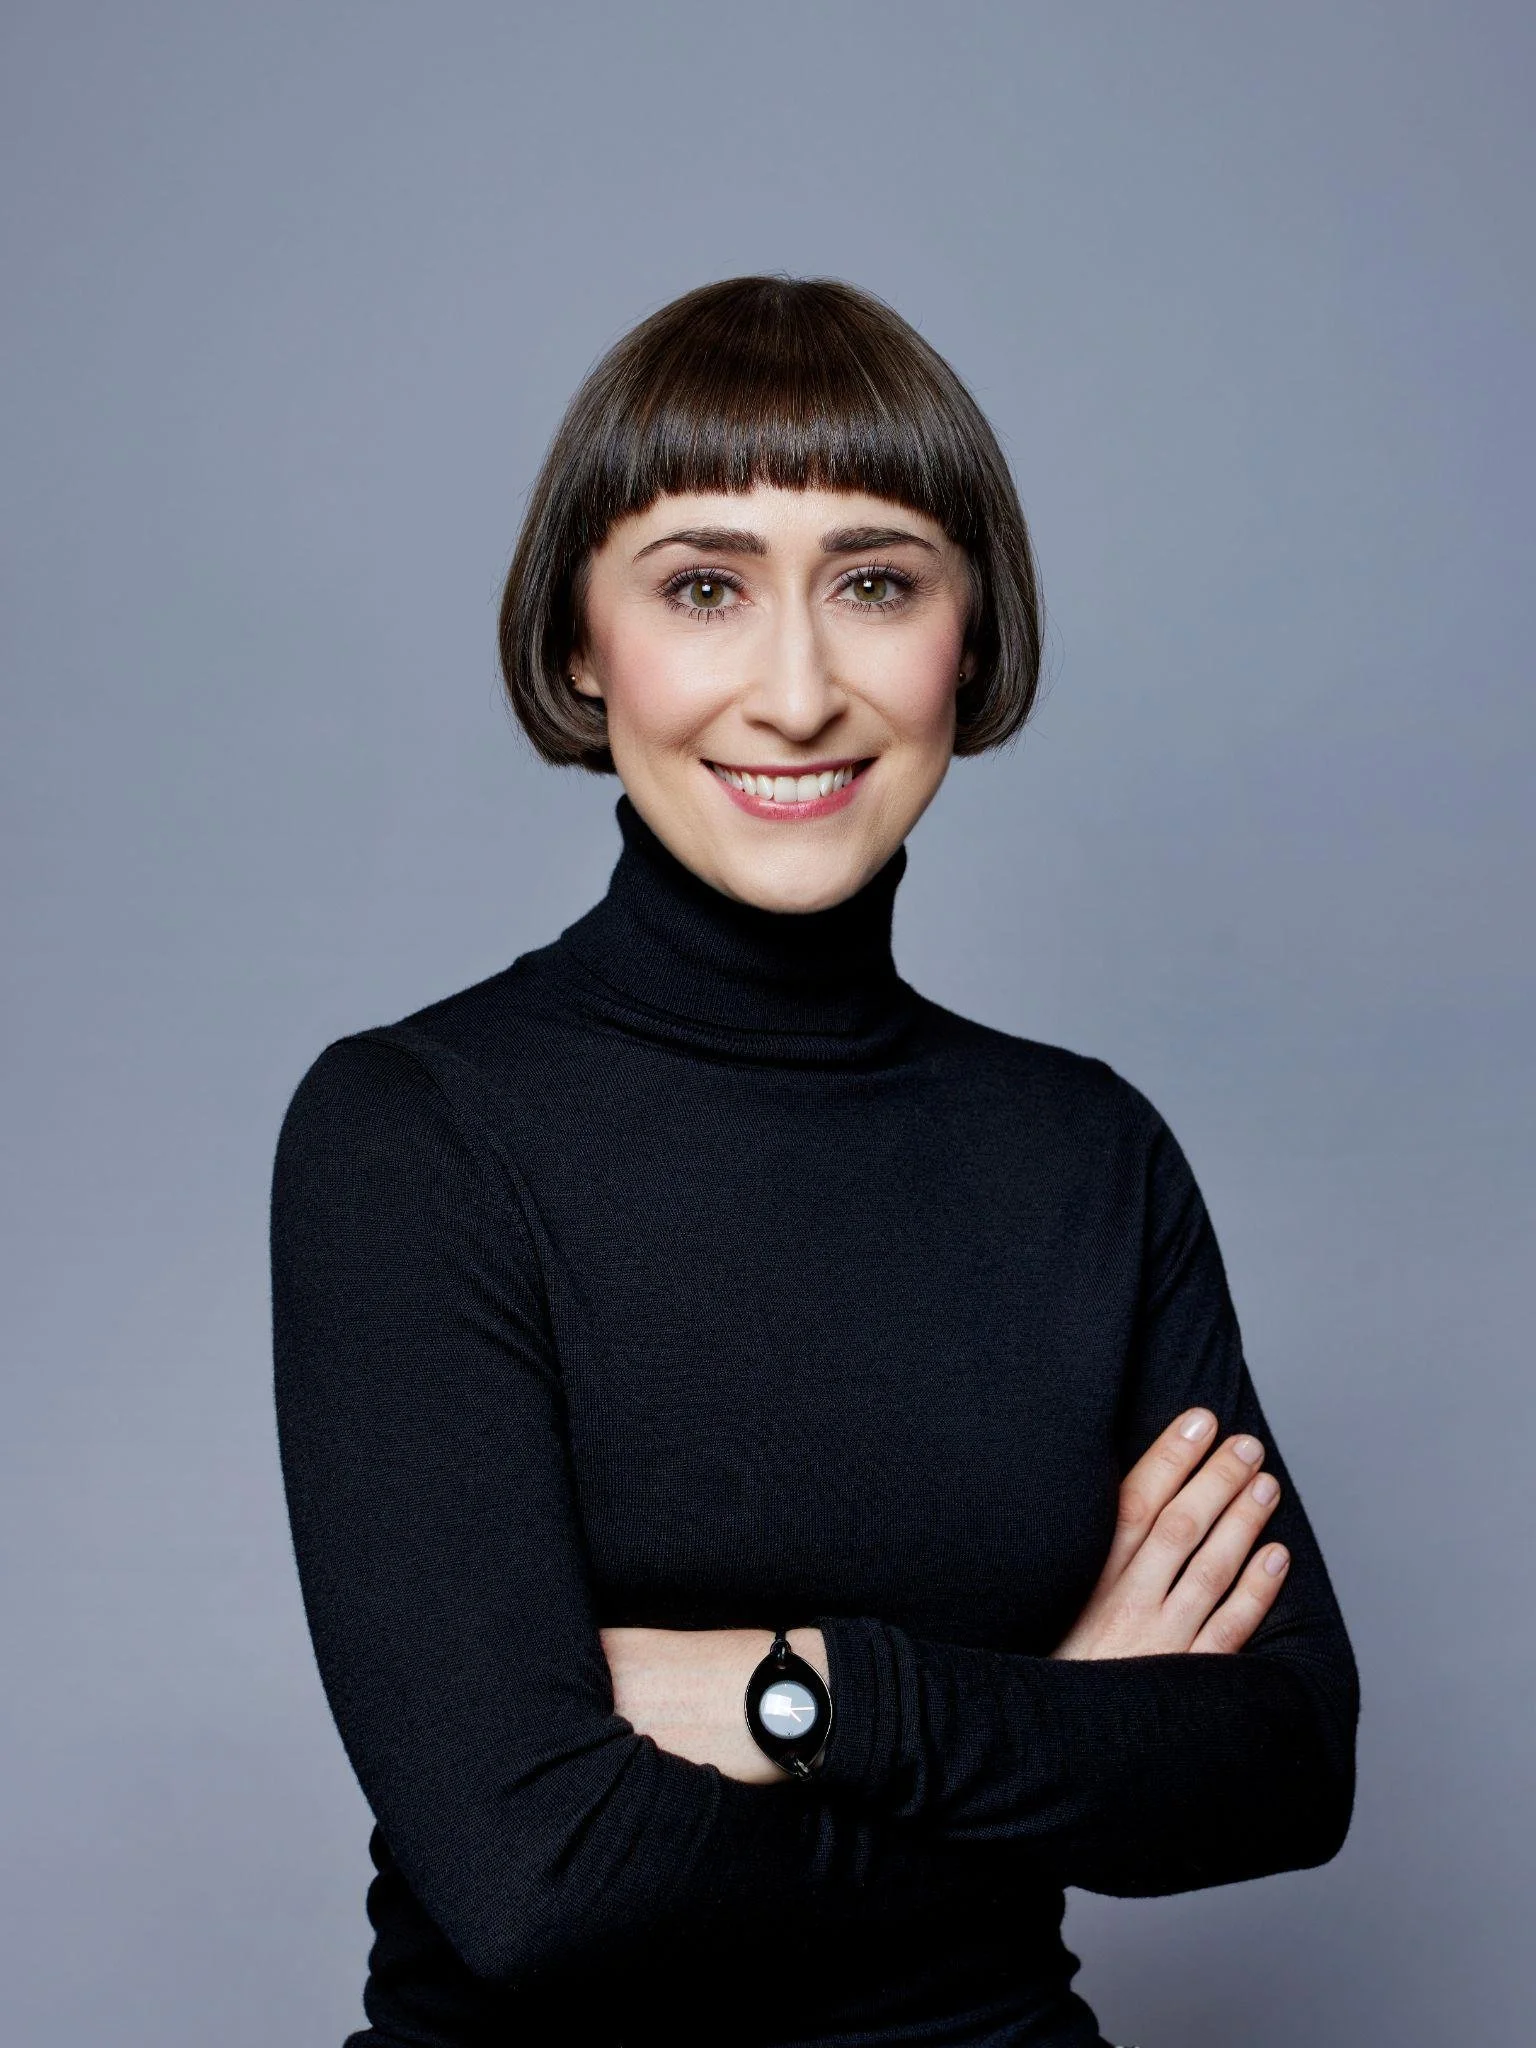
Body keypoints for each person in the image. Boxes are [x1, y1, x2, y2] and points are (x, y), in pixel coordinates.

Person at [271, 275, 1359, 2048]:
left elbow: (1288, 1764)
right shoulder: (414, 1131)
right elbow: (537, 1882)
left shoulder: (1087, 1151)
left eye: (876, 583)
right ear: (580, 645)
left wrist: (819, 1698)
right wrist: (1057, 1726)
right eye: (704, 588)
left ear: (969, 639)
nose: (796, 693)